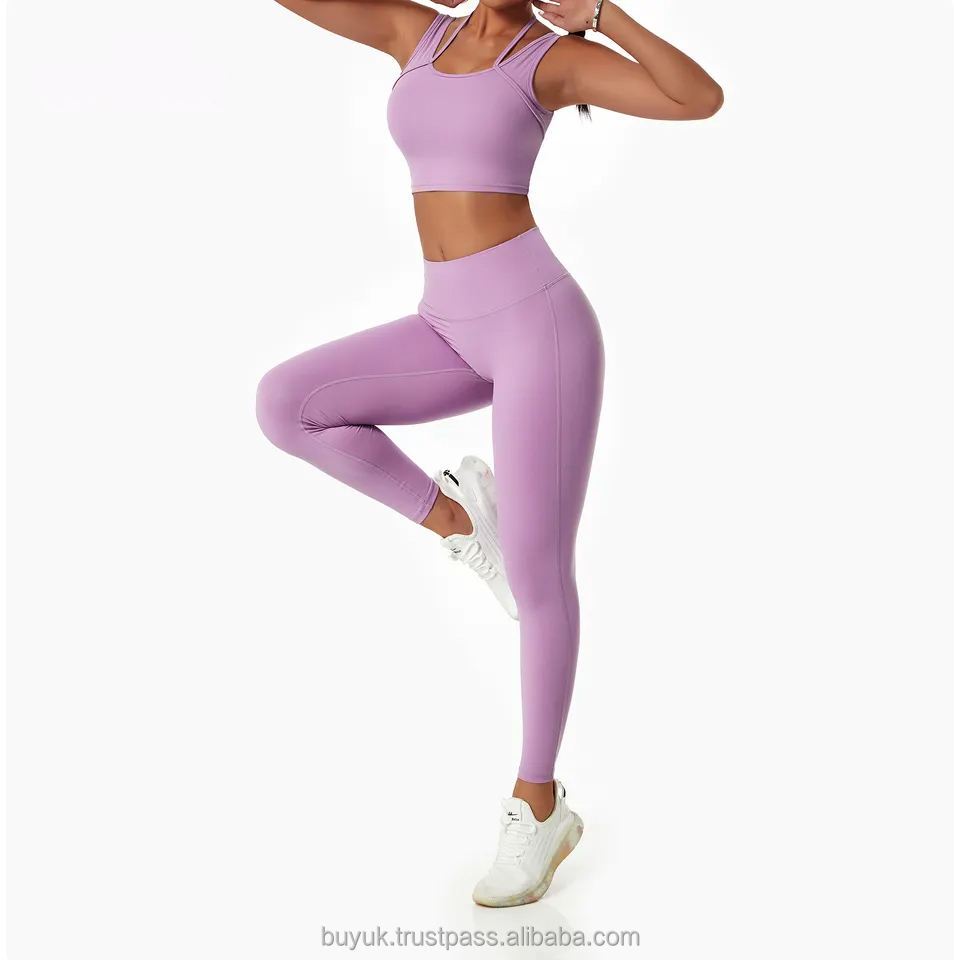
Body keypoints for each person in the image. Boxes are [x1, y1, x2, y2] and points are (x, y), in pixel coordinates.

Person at [256, 0, 722, 907]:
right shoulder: (415, 31)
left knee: (541, 578)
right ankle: (463, 521)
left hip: (538, 329)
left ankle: (538, 804)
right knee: (287, 404)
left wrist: (603, 14)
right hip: (445, 325)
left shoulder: (550, 60)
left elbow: (696, 98)